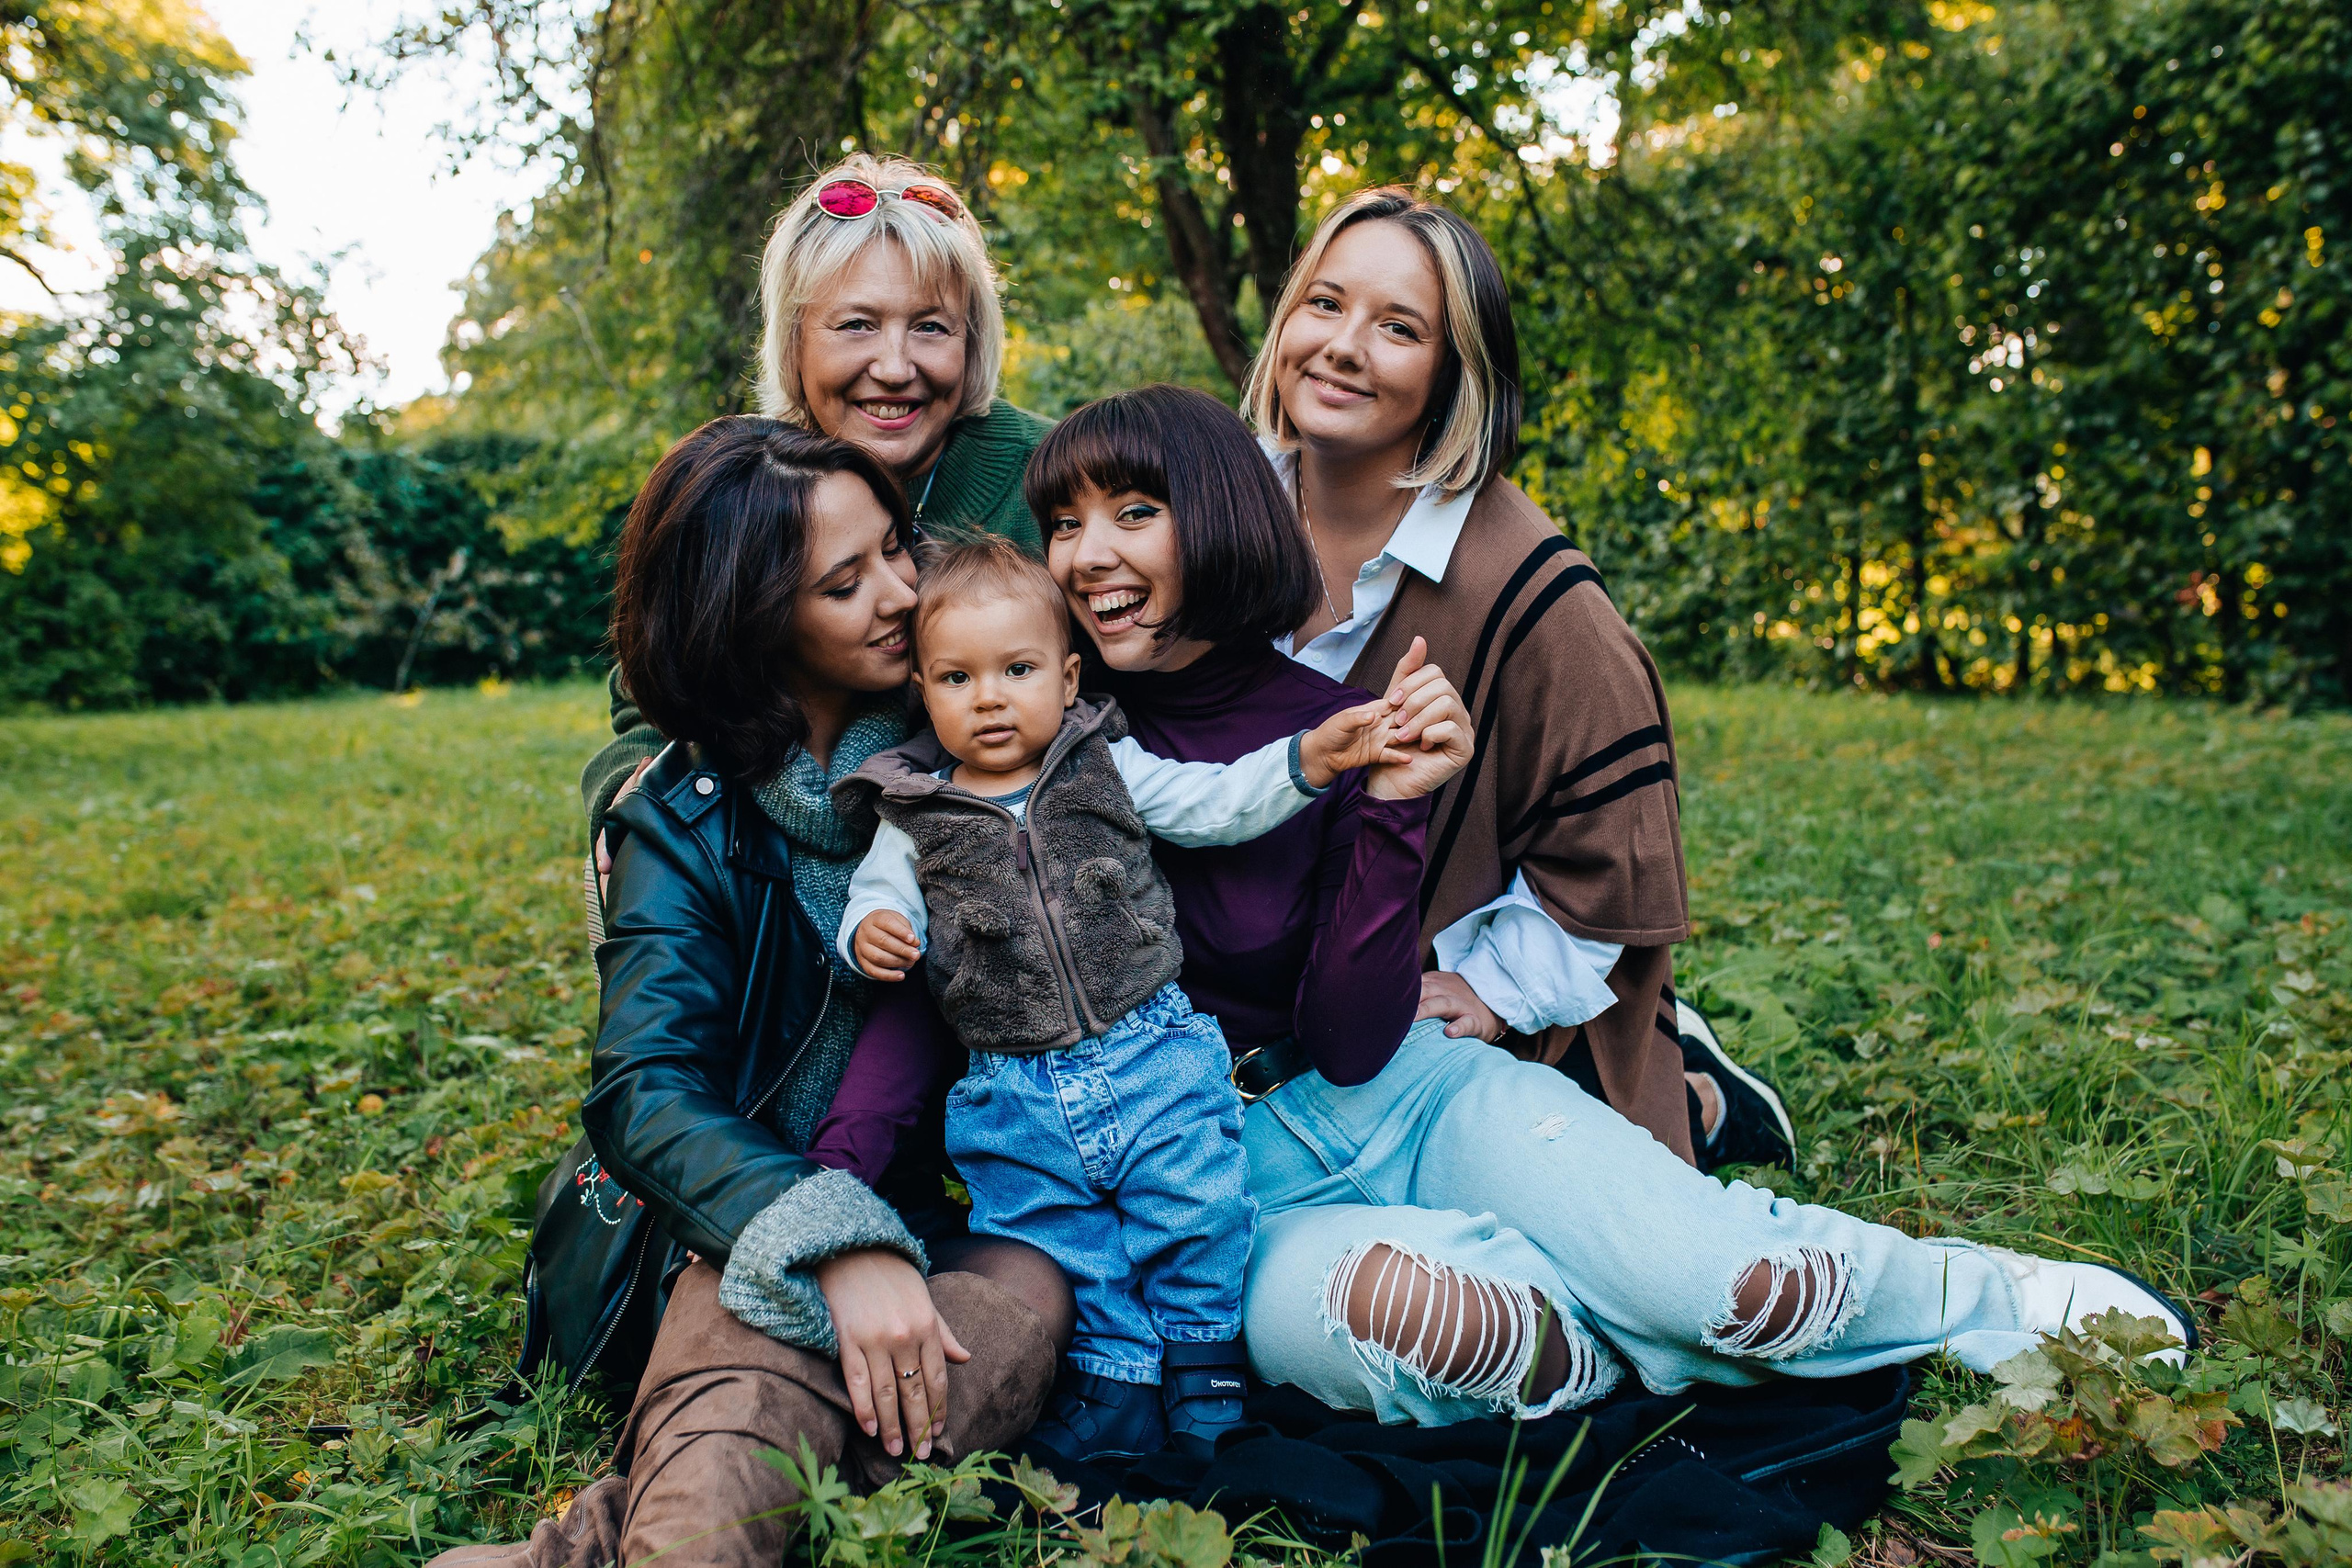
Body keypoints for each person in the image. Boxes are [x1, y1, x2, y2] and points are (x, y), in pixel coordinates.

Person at [1026, 385, 2194, 1428]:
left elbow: (1346, 1034)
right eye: (1064, 522)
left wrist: (1390, 807)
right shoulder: (1033, 750)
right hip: (1221, 1186)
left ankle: (1974, 1295)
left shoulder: (1332, 718)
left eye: (1134, 511)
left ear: (1222, 515)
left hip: (1400, 1095)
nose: (1087, 554)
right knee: (1442, 1329)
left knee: (1732, 1290)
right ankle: (1614, 1328)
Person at [429, 419, 1071, 1568]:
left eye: (896, 549)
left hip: (933, 1210)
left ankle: (600, 1543)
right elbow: (647, 1091)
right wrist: (830, 1239)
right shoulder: (679, 816)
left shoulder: (971, 745)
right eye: (845, 581)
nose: (899, 592)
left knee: (1029, 1293)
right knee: (760, 1308)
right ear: (752, 620)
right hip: (730, 1221)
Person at [812, 535, 1449, 1462]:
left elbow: (1213, 801)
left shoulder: (1101, 765)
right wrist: (870, 930)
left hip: (1148, 1051)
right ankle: (1117, 1381)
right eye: (956, 679)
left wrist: (1309, 760)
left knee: (1193, 1206)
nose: (989, 697)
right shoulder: (911, 810)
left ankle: (1204, 1372)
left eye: (1017, 669)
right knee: (1062, 1239)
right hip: (1011, 1087)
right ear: (923, 689)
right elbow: (876, 893)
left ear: (1067, 680)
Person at [1244, 187, 1792, 1170]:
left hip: (1434, 1003)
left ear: (1456, 374)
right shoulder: (1222, 514)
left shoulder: (1539, 595)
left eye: (1398, 327)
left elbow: (1612, 855)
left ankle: (1697, 1097)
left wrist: (1496, 988)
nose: (1341, 345)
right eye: (1322, 304)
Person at [584, 154, 1053, 852]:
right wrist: (633, 793)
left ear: (972, 340)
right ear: (794, 339)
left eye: (931, 327)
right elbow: (664, 676)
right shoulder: (757, 483)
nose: (895, 367)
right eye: (856, 324)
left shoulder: (1052, 475)